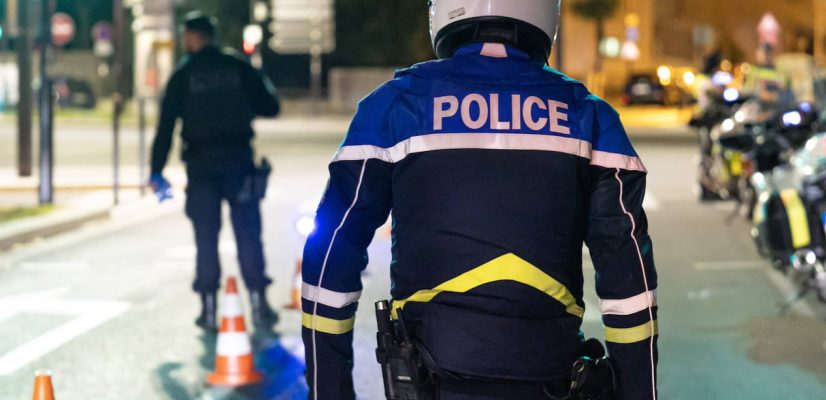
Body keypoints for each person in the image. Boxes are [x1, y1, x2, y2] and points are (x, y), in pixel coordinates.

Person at [301, 1, 659, 398]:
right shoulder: (590, 116)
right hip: (550, 374)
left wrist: (328, 390)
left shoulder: (393, 105)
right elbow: (629, 278)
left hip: (430, 374)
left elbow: (331, 255)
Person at [149, 12, 281, 330]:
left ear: (194, 37)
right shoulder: (238, 66)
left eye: (186, 36)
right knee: (249, 235)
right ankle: (259, 304)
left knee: (205, 238)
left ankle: (208, 309)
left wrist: (156, 170)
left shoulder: (184, 74)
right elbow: (271, 106)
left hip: (201, 167)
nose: (185, 42)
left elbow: (166, 126)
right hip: (239, 162)